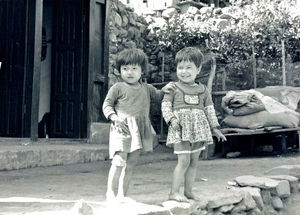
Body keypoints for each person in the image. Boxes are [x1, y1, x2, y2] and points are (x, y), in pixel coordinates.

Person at [102, 48, 174, 203]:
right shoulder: (118, 88)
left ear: (142, 71)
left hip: (139, 130)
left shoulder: (146, 88)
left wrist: (165, 90)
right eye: (125, 68)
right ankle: (110, 194)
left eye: (134, 68)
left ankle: (123, 195)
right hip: (122, 128)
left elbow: (158, 95)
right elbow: (107, 105)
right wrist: (114, 117)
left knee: (131, 163)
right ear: (119, 70)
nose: (129, 72)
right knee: (119, 161)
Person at [161, 47, 227, 202]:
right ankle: (174, 193)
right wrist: (171, 119)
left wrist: (215, 128)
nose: (184, 71)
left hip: (199, 130)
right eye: (180, 68)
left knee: (193, 162)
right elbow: (165, 106)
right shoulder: (172, 88)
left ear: (198, 69)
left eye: (188, 68)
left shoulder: (203, 90)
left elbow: (209, 109)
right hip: (181, 129)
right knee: (183, 161)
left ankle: (188, 192)